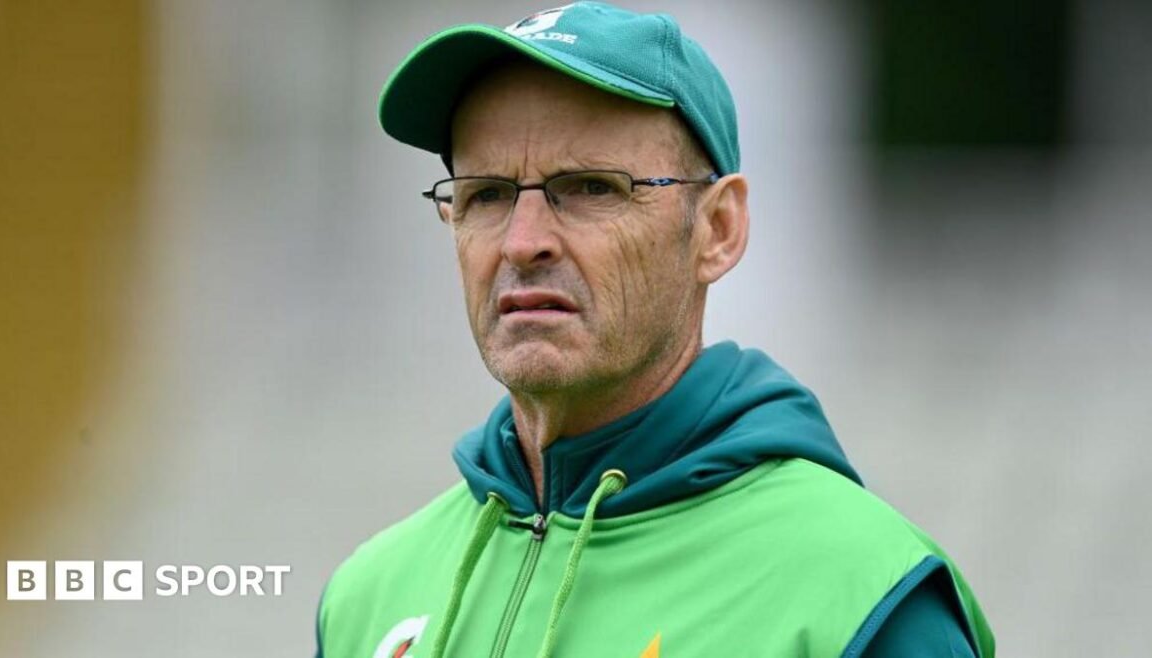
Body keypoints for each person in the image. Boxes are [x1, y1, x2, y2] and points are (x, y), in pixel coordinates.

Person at [316, 3, 995, 657]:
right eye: (486, 194)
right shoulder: (368, 598)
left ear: (718, 230)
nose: (522, 243)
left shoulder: (858, 597)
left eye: (590, 187)